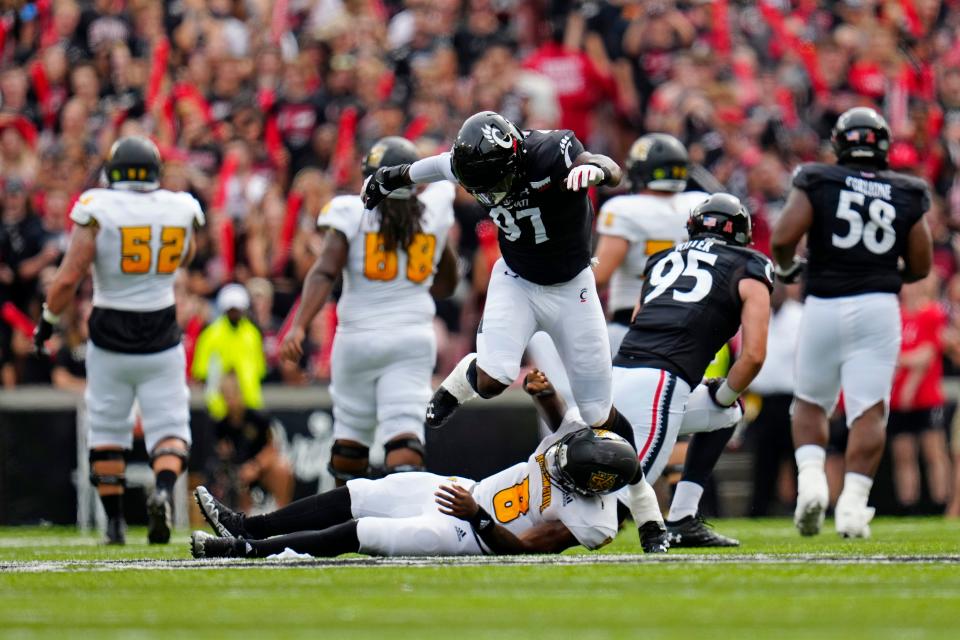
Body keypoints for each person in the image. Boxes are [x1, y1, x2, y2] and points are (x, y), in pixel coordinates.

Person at [362, 113, 663, 545]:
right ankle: (465, 378)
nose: (488, 193)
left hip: (572, 287)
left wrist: (595, 169)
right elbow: (434, 166)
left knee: (600, 416)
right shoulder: (475, 162)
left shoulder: (551, 152)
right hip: (516, 280)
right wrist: (391, 176)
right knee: (493, 378)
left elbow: (609, 168)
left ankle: (647, 511)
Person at [189, 370, 655, 559]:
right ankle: (246, 525)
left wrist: (477, 516)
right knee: (361, 494)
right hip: (466, 491)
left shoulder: (594, 523)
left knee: (363, 532)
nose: (554, 459)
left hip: (470, 533)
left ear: (590, 487)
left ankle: (245, 552)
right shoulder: (576, 442)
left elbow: (524, 552)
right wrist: (544, 391)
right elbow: (558, 416)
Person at [32, 136, 204, 544]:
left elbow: (70, 276)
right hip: (162, 330)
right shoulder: (179, 206)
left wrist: (47, 320)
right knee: (170, 426)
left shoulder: (98, 206)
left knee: (108, 429)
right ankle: (161, 492)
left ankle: (113, 523)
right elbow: (188, 254)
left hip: (110, 331)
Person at [771, 107, 933, 538]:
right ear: (883, 146)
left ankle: (811, 483)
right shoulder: (906, 190)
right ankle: (853, 507)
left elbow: (784, 236)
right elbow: (921, 264)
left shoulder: (819, 178)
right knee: (869, 408)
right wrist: (880, 276)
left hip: (824, 302)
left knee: (809, 401)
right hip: (878, 307)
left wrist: (788, 269)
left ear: (840, 144)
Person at [280, 137, 458, 485]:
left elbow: (325, 270)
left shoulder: (352, 211)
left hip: (358, 337)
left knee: (351, 432)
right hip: (412, 338)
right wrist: (436, 241)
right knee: (404, 430)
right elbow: (446, 286)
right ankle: (402, 519)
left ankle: (345, 521)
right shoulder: (433, 212)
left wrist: (300, 325)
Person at [612, 193, 773, 546]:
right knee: (610, 515)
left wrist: (722, 399)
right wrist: (725, 390)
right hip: (659, 383)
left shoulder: (660, 260)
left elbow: (638, 319)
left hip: (618, 377)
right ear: (741, 233)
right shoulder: (749, 264)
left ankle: (682, 518)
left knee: (728, 413)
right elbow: (755, 354)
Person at [593, 133, 711, 355]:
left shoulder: (623, 209)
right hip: (691, 323)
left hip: (634, 321)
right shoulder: (700, 203)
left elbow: (599, 276)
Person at [209, 373, 294, 511]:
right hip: (238, 472)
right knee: (235, 480)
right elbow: (223, 455)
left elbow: (272, 448)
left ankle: (283, 512)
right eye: (226, 397)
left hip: (260, 467)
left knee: (282, 468)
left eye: (232, 396)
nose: (230, 401)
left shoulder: (258, 418)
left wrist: (255, 466)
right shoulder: (221, 425)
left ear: (240, 394)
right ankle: (245, 520)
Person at [192, 284, 267, 420]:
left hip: (250, 403)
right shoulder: (210, 334)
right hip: (219, 408)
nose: (234, 314)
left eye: (237, 309)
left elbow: (259, 369)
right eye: (231, 310)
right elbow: (201, 372)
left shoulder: (252, 334)